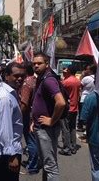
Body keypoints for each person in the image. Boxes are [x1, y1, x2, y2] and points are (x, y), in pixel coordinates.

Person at [0, 62, 26, 181]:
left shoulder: (10, 93)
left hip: (6, 151)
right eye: (16, 76)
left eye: (22, 76)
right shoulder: (5, 97)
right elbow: (5, 129)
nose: (19, 78)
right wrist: (12, 155)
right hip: (4, 153)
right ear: (7, 76)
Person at [31, 52, 66, 181]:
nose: (36, 66)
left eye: (39, 63)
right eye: (34, 63)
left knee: (50, 165)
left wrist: (51, 120)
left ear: (47, 64)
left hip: (47, 129)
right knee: (46, 163)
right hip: (41, 126)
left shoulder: (49, 80)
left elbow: (61, 102)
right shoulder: (42, 78)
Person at [19, 61, 39, 174]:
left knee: (30, 141)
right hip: (36, 113)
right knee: (34, 140)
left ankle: (32, 166)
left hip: (28, 115)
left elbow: (24, 103)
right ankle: (34, 163)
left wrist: (18, 116)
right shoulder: (35, 80)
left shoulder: (27, 83)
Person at [59, 65, 81, 155]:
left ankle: (67, 148)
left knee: (65, 129)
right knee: (72, 128)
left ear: (68, 71)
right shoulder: (77, 81)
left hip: (67, 108)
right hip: (75, 108)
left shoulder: (66, 82)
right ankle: (73, 146)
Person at [77, 64, 96, 132]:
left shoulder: (86, 78)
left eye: (88, 69)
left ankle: (80, 126)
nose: (86, 71)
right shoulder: (97, 78)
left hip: (84, 98)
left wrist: (82, 76)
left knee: (82, 114)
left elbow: (79, 86)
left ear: (90, 71)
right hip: (94, 99)